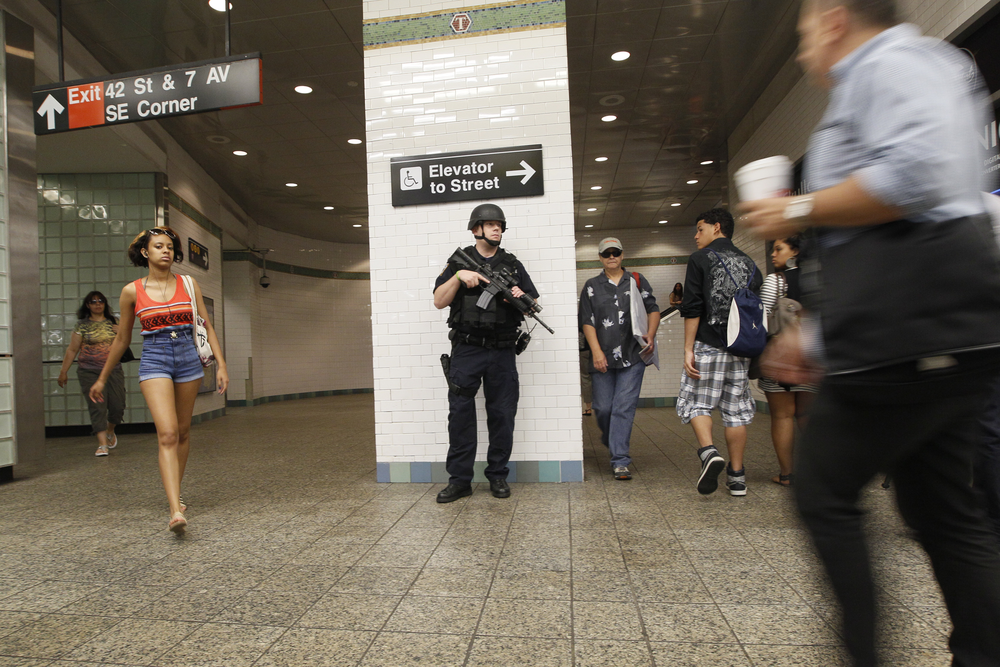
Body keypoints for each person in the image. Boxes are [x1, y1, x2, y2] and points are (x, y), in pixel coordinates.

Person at [740, 0, 1000, 662]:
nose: (801, 54)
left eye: (802, 36)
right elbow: (882, 234)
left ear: (832, 19)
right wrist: (818, 335)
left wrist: (793, 206)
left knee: (824, 491)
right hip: (949, 330)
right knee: (944, 512)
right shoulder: (927, 70)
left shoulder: (893, 65)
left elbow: (917, 179)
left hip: (902, 335)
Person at [89, 227, 228, 534]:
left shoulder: (189, 284)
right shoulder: (131, 291)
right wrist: (101, 377)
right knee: (166, 434)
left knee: (181, 431)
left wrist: (221, 364)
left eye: (169, 246)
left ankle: (175, 494)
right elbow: (123, 338)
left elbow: (206, 325)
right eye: (158, 246)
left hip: (188, 358)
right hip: (155, 359)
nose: (166, 251)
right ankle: (175, 509)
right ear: (145, 252)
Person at [433, 203, 539, 503]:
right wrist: (458, 277)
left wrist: (521, 296)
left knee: (502, 415)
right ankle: (460, 481)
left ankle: (498, 477)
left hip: (503, 351)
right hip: (466, 349)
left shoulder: (513, 265)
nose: (497, 229)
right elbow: (439, 302)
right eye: (491, 224)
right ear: (475, 229)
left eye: (500, 225)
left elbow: (531, 307)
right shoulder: (458, 262)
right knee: (461, 416)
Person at [677, 208, 762, 497]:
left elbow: (693, 308)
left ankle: (709, 452)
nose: (696, 235)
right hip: (741, 349)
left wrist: (688, 349)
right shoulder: (751, 263)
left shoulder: (700, 259)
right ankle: (737, 477)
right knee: (735, 412)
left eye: (700, 229)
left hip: (709, 345)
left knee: (697, 404)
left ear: (716, 227)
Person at [579, 237, 659, 480]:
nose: (611, 256)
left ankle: (620, 460)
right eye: (606, 254)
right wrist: (596, 352)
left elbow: (652, 308)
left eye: (616, 252)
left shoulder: (636, 280)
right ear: (600, 258)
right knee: (603, 408)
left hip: (633, 355)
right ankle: (614, 444)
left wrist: (651, 335)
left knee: (623, 407)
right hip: (602, 357)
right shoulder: (592, 285)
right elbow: (586, 321)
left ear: (622, 255)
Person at [758, 236, 816, 486]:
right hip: (812, 357)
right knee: (806, 414)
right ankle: (819, 472)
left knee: (782, 416)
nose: (773, 254)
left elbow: (762, 317)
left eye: (778, 249)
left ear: (795, 251)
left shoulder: (776, 280)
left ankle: (787, 474)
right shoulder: (817, 277)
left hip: (781, 356)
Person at [57, 291, 127, 457]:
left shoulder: (114, 322)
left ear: (105, 303)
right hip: (89, 371)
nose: (97, 304)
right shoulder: (82, 325)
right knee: (97, 406)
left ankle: (110, 431)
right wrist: (63, 371)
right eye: (93, 301)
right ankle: (102, 444)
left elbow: (125, 342)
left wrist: (121, 331)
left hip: (113, 370)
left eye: (100, 301)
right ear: (88, 305)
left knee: (118, 406)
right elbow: (72, 349)